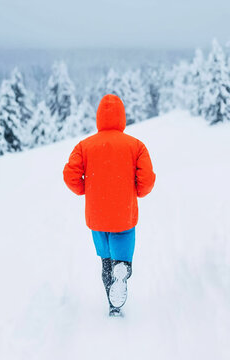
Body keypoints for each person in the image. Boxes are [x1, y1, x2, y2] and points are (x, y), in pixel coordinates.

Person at [63, 94, 156, 317]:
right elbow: (147, 180)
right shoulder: (136, 146)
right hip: (123, 215)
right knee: (121, 256)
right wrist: (137, 191)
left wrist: (86, 189)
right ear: (122, 118)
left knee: (105, 260)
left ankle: (113, 304)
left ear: (99, 119)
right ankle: (122, 269)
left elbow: (70, 175)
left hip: (97, 216)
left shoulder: (84, 146)